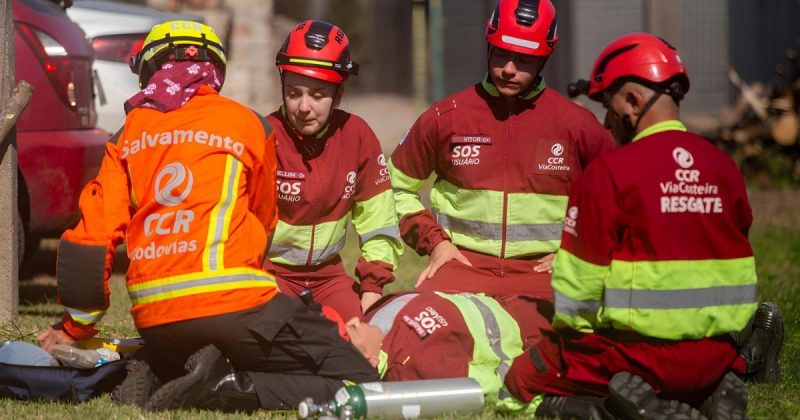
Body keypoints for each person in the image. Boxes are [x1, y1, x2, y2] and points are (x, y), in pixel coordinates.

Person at [36, 20, 378, 412]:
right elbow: (262, 223)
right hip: (236, 303)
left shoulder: (128, 132)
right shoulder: (248, 123)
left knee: (205, 342)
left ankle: (156, 368)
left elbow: (89, 243)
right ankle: (229, 386)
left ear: (148, 70)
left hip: (155, 318)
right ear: (215, 71)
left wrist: (73, 329)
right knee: (360, 380)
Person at [503, 32, 784, 419]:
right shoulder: (725, 168)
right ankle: (699, 393)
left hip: (635, 357)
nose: (605, 120)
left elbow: (575, 301)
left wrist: (544, 357)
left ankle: (616, 406)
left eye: (608, 105)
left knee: (522, 380)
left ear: (633, 102)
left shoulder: (608, 174)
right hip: (717, 354)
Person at [388, 0, 615, 298]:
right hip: (460, 266)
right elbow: (394, 189)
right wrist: (436, 244)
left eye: (524, 60)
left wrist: (578, 251)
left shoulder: (578, 126)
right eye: (502, 54)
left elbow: (621, 203)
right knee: (411, 335)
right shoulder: (445, 117)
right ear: (489, 44)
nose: (509, 69)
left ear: (544, 59)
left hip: (547, 274)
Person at [264, 20, 404, 320]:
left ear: (338, 95)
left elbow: (379, 222)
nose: (303, 107)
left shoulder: (358, 136)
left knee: (363, 337)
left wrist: (372, 289)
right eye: (293, 93)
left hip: (328, 278)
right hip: (269, 276)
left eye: (317, 95)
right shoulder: (263, 136)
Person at [346, 291, 608, 418]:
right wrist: (547, 405)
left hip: (521, 302)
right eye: (350, 331)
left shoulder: (378, 318)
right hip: (536, 337)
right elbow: (489, 386)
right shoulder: (413, 368)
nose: (355, 319)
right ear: (368, 358)